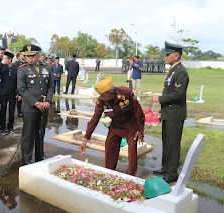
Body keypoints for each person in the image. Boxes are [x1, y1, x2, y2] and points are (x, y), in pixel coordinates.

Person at [79, 77, 145, 176]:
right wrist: (85, 138)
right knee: (109, 145)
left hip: (131, 125)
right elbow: (95, 118)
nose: (101, 97)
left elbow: (138, 111)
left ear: (111, 92)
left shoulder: (126, 93)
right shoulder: (102, 100)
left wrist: (140, 130)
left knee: (132, 149)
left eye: (103, 95)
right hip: (116, 125)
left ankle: (131, 175)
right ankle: (109, 171)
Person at [152, 41, 189, 183]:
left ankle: (172, 174)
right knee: (166, 142)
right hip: (169, 112)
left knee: (173, 144)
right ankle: (165, 167)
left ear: (176, 55)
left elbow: (178, 94)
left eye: (168, 55)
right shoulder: (173, 69)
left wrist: (159, 99)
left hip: (175, 114)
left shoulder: (181, 72)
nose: (165, 57)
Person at [17, 44, 54, 165]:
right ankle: (27, 160)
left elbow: (51, 86)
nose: (30, 59)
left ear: (38, 56)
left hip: (44, 107)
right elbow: (22, 90)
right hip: (30, 107)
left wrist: (48, 100)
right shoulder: (22, 69)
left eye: (32, 56)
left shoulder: (46, 68)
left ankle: (39, 156)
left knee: (40, 132)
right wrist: (36, 103)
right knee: (28, 134)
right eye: (27, 56)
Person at [0, 51, 20, 135]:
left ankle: (10, 126)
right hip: (3, 91)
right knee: (3, 109)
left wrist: (18, 92)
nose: (3, 60)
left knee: (12, 109)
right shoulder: (2, 67)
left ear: (10, 60)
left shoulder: (15, 68)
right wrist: (1, 64)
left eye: (5, 58)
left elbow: (18, 81)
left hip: (12, 91)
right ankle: (2, 127)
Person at [14, 51, 26, 117]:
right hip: (19, 83)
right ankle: (19, 112)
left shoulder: (26, 63)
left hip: (25, 83)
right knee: (19, 99)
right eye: (23, 55)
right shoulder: (17, 64)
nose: (24, 56)